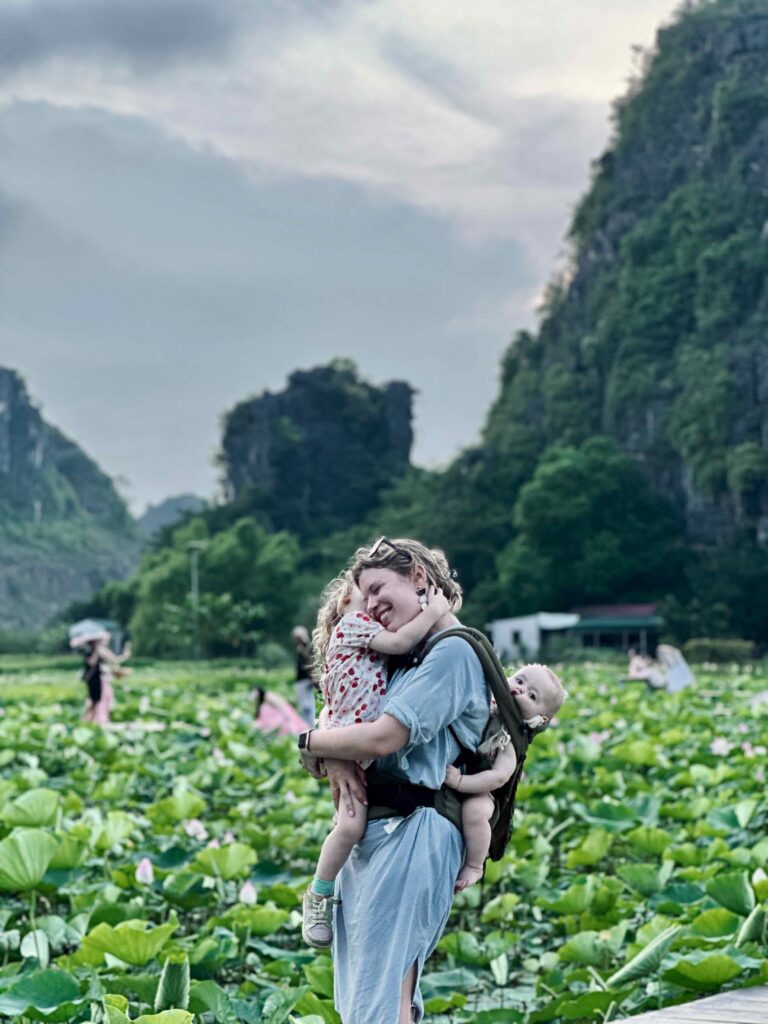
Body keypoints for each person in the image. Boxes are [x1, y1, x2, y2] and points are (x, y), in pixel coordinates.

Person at [297, 537, 489, 1024]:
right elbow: (349, 720)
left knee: (383, 997)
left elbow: (382, 738)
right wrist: (331, 749)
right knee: (373, 996)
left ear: (420, 578)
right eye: (365, 596)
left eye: (380, 588)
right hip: (380, 836)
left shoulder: (453, 654)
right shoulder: (405, 660)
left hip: (415, 829)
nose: (373, 604)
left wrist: (312, 744)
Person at [302, 571, 450, 948]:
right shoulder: (354, 626)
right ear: (344, 606)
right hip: (350, 737)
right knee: (349, 827)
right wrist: (433, 610)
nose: (370, 604)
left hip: (352, 737)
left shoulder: (366, 640)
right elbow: (402, 641)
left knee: (351, 822)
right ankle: (318, 895)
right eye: (362, 596)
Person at [443, 663, 566, 891]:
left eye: (531, 695)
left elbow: (499, 777)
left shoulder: (511, 737)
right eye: (519, 681)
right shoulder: (487, 700)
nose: (519, 690)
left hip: (482, 787)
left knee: (476, 811)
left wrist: (461, 782)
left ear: (540, 720)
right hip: (459, 767)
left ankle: (474, 865)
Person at [76, 632, 131, 726]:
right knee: (96, 700)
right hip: (94, 679)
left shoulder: (102, 650)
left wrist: (126, 654)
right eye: (105, 640)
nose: (106, 642)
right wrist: (97, 652)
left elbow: (114, 660)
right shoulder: (89, 650)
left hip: (99, 678)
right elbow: (91, 663)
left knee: (100, 699)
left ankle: (94, 720)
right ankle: (91, 720)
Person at [291, 625, 316, 726]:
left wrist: (313, 677)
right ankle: (306, 725)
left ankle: (308, 726)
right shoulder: (301, 647)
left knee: (307, 706)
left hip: (305, 680)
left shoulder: (307, 647)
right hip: (302, 680)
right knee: (304, 705)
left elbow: (310, 663)